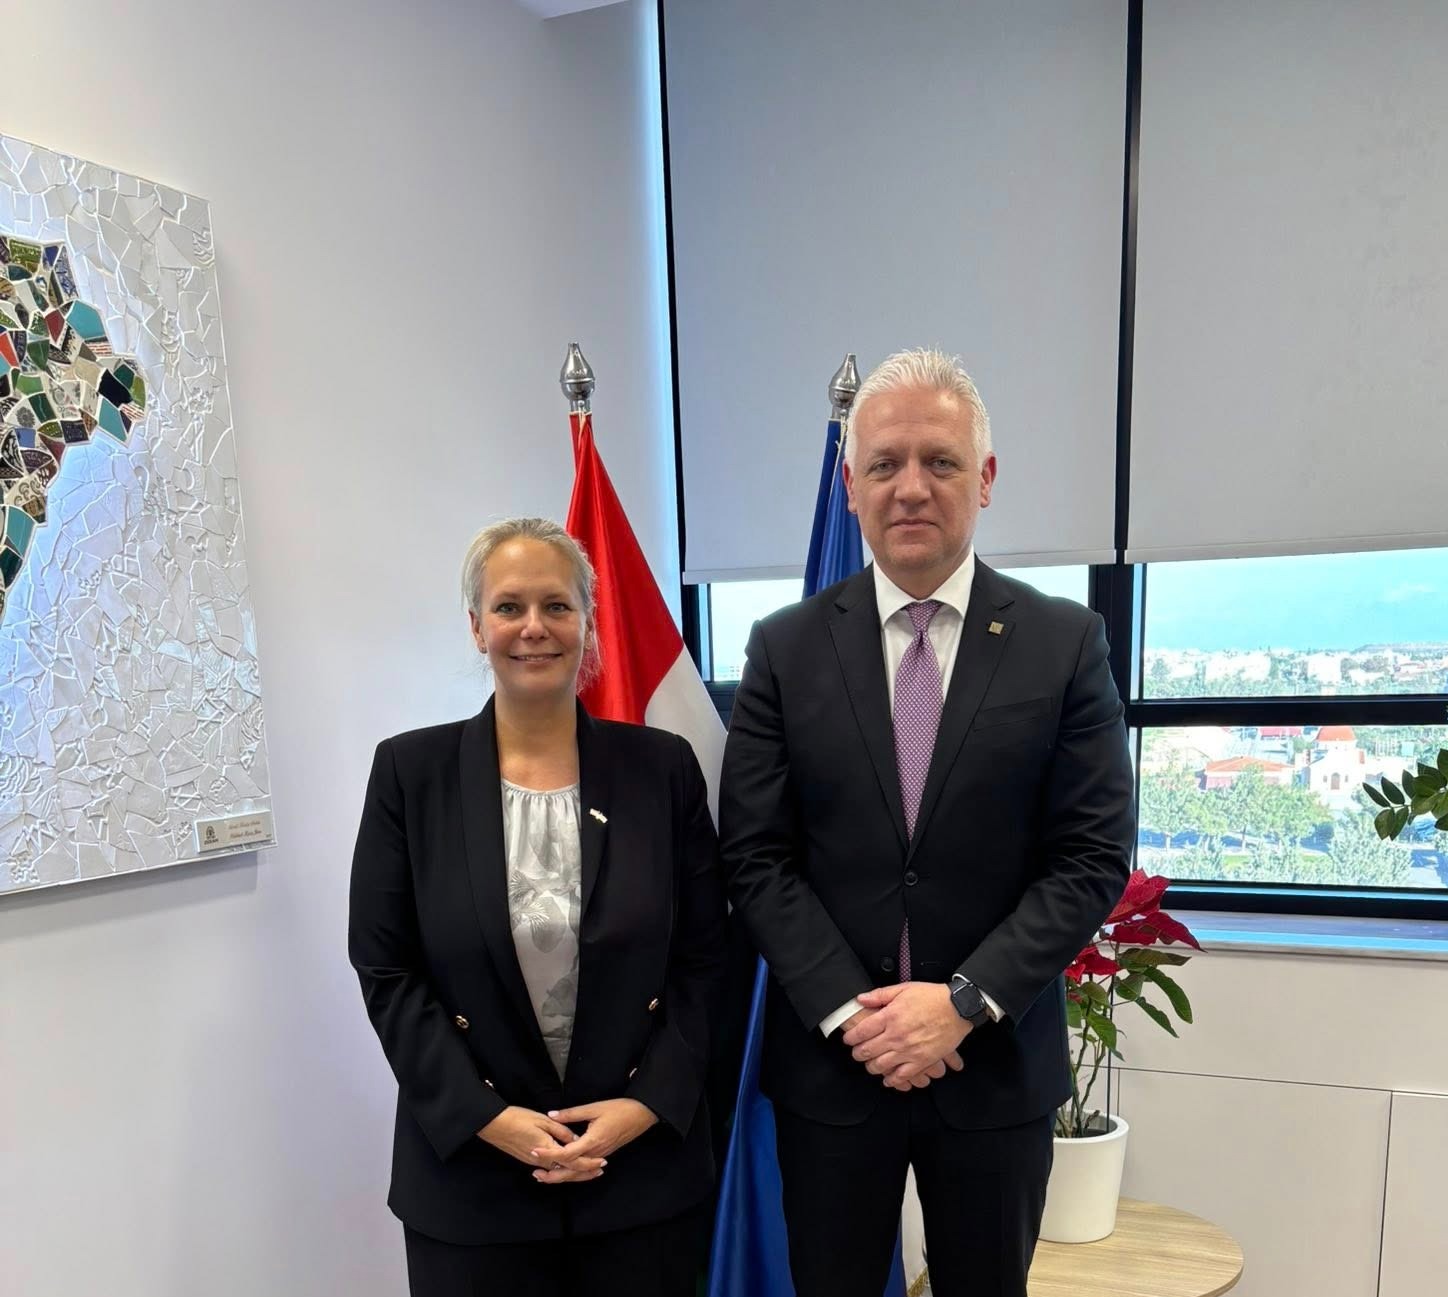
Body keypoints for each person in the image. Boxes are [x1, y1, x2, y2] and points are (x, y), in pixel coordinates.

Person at [719, 350, 1136, 1295]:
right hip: (834, 1068)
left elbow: (1090, 856)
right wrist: (854, 1011)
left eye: (940, 461)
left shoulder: (1064, 643)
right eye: (886, 463)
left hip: (993, 1068)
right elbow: (755, 856)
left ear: (984, 478)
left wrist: (960, 1002)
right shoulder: (783, 649)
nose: (911, 487)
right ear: (850, 484)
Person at [349, 517, 726, 1297]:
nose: (534, 627)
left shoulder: (662, 769)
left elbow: (705, 956)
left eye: (557, 605)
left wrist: (644, 1104)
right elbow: (387, 968)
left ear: (588, 621)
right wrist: (489, 1117)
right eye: (508, 606)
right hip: (472, 1182)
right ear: (476, 625)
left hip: (639, 1176)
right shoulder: (409, 774)